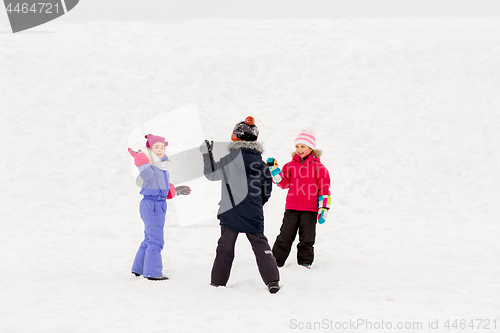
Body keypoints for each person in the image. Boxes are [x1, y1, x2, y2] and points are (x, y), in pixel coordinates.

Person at [200, 116, 280, 293]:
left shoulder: (229, 161)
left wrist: (207, 154)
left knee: (225, 247)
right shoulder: (262, 165)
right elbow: (267, 190)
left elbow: (211, 174)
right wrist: (256, 204)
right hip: (253, 213)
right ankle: (272, 281)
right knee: (261, 246)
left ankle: (218, 282)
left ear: (235, 139)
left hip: (230, 212)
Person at [128, 134, 191, 280]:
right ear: (149, 149)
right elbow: (146, 175)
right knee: (156, 240)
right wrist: (140, 159)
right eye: (156, 147)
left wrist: (177, 190)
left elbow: (162, 189)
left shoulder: (162, 168)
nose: (160, 150)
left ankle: (139, 267)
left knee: (149, 237)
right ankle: (153, 272)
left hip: (158, 203)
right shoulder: (150, 167)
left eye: (162, 147)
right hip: (152, 205)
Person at [268, 129, 331, 268]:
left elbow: (324, 189)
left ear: (311, 148)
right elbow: (283, 183)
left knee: (307, 237)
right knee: (285, 235)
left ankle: (305, 262)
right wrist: (274, 170)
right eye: (297, 146)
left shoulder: (319, 168)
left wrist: (324, 207)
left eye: (303, 146)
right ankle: (275, 261)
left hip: (310, 209)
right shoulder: (290, 166)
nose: (299, 149)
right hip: (292, 207)